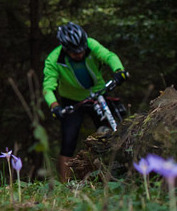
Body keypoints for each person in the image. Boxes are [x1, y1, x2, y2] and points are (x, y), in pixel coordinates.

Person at [43, 22, 129, 181]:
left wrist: (119, 70)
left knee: (112, 131)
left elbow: (109, 56)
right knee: (68, 141)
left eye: (82, 49)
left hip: (98, 94)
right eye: (75, 52)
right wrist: (54, 106)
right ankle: (64, 185)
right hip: (72, 101)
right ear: (65, 48)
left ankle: (120, 172)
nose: (80, 54)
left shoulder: (91, 44)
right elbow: (48, 87)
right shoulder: (53, 59)